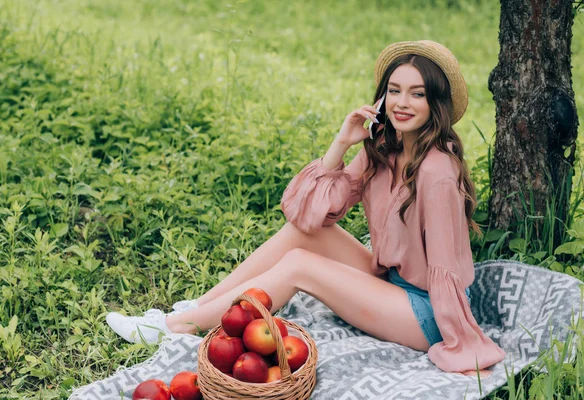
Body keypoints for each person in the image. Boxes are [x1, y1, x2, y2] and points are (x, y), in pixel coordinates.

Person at [106, 40, 506, 376]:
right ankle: (197, 309)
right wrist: (342, 143)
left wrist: (462, 343)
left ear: (434, 102)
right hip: (390, 280)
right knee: (303, 235)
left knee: (300, 265)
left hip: (426, 313)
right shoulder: (384, 146)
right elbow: (312, 213)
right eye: (395, 90)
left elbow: (446, 266)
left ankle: (175, 328)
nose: (402, 103)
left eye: (417, 93)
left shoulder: (437, 170)